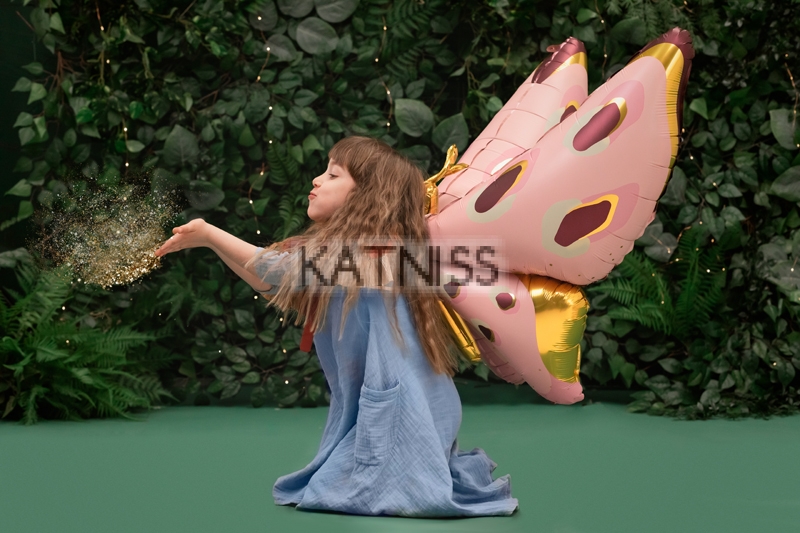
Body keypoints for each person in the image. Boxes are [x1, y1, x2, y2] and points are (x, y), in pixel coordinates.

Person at [154, 135, 518, 517]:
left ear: (366, 195)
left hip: (409, 410)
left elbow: (278, 272)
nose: (316, 180)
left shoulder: (376, 255)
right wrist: (210, 243)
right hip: (398, 404)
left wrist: (210, 234)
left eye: (332, 175)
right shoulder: (355, 255)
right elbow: (270, 280)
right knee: (345, 478)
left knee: (370, 487)